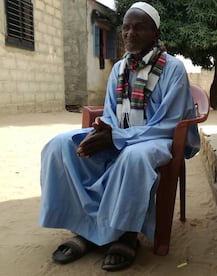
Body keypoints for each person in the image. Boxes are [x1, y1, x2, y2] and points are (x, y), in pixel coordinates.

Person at [39, 2, 200, 272]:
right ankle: (86, 227)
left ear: (155, 33)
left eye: (139, 27)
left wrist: (118, 138)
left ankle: (126, 234)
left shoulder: (173, 69)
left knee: (133, 157)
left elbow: (169, 124)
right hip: (121, 133)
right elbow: (112, 113)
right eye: (125, 27)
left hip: (157, 138)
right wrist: (105, 131)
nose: (129, 33)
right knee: (60, 146)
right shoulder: (119, 68)